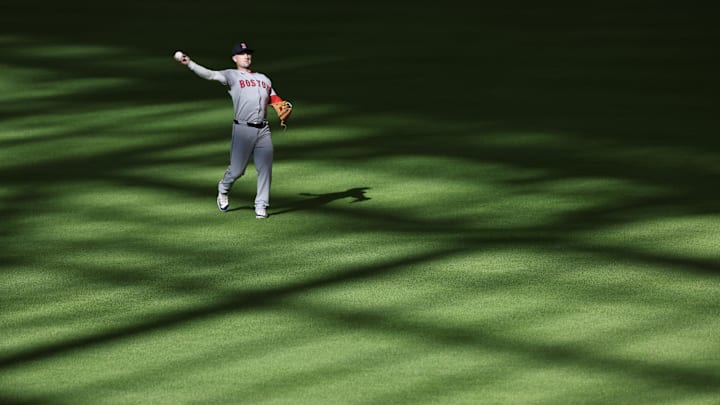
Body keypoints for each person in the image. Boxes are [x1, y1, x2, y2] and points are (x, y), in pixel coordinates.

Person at [174, 42, 292, 218]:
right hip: (243, 129)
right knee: (237, 170)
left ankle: (261, 205)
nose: (246, 56)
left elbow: (274, 99)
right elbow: (210, 75)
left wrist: (284, 106)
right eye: (242, 54)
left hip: (263, 130)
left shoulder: (264, 79)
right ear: (235, 58)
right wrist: (190, 63)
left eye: (248, 53)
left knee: (265, 167)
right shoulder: (231, 75)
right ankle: (223, 188)